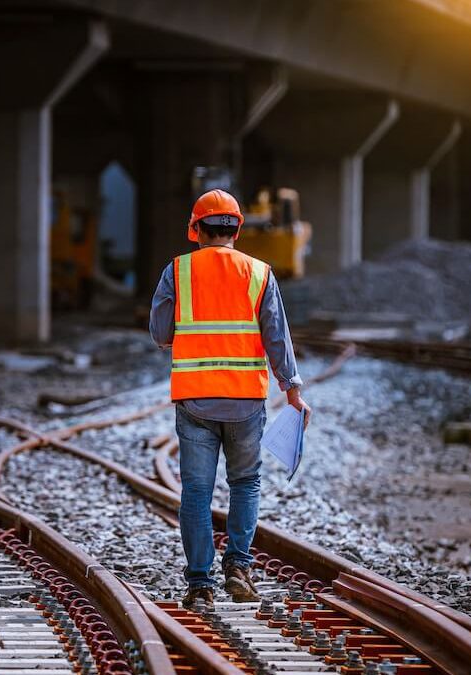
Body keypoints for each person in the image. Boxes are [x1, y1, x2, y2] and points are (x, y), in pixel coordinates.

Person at [149, 189, 311, 608]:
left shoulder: (177, 272)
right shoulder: (259, 273)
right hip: (244, 403)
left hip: (195, 401)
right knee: (245, 484)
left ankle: (200, 584)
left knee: (197, 493)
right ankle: (239, 567)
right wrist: (292, 390)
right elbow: (277, 337)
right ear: (237, 229)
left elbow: (160, 334)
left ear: (196, 229)